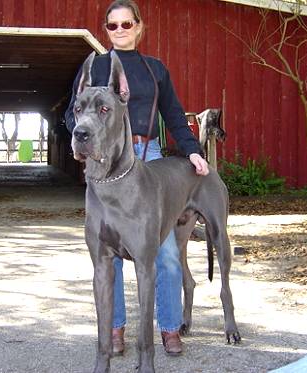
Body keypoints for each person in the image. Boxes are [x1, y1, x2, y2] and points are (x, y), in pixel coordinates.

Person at [65, 0, 209, 357]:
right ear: (106, 29)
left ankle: (170, 327)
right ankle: (115, 330)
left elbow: (174, 114)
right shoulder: (96, 68)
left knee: (167, 253)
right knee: (107, 254)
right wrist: (89, 145)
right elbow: (74, 113)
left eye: (126, 24)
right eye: (112, 26)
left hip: (150, 157)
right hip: (106, 165)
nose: (119, 31)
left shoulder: (155, 69)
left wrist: (193, 151)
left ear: (139, 27)